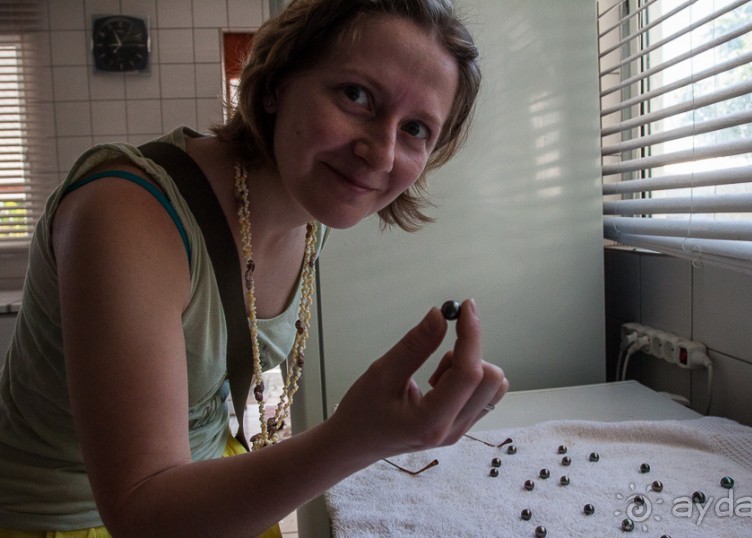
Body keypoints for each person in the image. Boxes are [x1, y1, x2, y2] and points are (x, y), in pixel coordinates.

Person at [0, 0, 509, 535]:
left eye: (416, 130)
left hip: (205, 482)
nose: (380, 154)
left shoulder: (311, 216)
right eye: (356, 96)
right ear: (275, 84)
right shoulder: (125, 214)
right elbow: (139, 512)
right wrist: (354, 437)